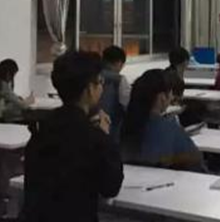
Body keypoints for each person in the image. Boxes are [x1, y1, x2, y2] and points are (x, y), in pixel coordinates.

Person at [22, 51, 124, 222]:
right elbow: (111, 187)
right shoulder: (94, 137)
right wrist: (105, 137)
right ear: (89, 89)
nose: (102, 88)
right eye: (100, 82)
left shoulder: (42, 128)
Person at [121, 69, 205, 171]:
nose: (172, 97)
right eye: (171, 93)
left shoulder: (121, 127)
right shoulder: (170, 129)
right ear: (162, 97)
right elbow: (197, 162)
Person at [98, 45, 131, 141]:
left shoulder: (92, 75)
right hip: (111, 132)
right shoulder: (119, 80)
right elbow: (128, 106)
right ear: (119, 63)